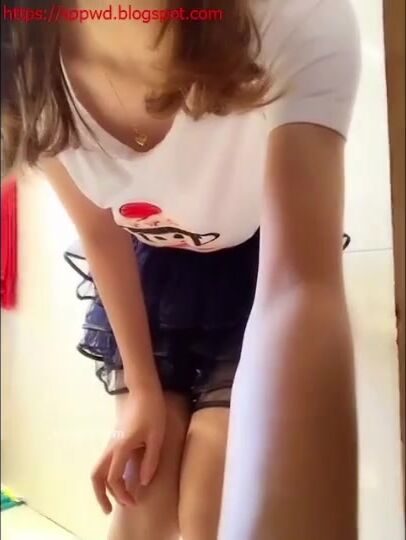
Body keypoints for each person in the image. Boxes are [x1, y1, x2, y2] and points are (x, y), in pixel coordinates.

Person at [1, 0, 361, 538]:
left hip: (254, 268)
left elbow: (300, 287)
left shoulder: (285, 17)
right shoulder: (24, 68)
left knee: (208, 498)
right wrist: (142, 391)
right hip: (153, 280)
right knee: (139, 497)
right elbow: (101, 235)